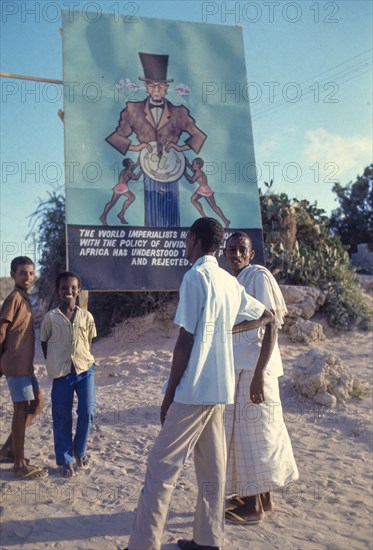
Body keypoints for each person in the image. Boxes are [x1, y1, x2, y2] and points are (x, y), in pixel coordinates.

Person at [126, 218, 274, 550]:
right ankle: (209, 541)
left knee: (160, 470)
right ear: (219, 246)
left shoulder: (195, 277)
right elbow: (266, 314)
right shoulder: (227, 280)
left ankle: (142, 545)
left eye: (186, 240)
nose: (185, 245)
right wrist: (226, 331)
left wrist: (168, 394)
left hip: (193, 391)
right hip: (220, 391)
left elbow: (185, 340)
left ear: (193, 240)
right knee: (212, 472)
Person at [224, 232, 299, 524]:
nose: (237, 254)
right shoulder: (235, 281)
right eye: (231, 250)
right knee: (254, 436)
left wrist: (258, 374)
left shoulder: (258, 275)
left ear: (252, 254)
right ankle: (262, 499)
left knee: (253, 437)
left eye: (242, 249)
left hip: (256, 371)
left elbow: (271, 326)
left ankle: (252, 507)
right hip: (242, 370)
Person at [106, 52, 207, 227]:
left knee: (172, 217)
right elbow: (116, 137)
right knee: (152, 218)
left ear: (167, 88)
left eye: (161, 86)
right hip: (148, 170)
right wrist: (137, 148)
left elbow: (199, 135)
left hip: (173, 169)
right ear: (146, 87)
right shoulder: (133, 109)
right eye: (152, 86)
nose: (157, 90)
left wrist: (179, 148)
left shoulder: (179, 112)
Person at [40, 271, 97, 478]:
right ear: (58, 291)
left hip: (84, 371)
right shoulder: (50, 318)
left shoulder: (86, 316)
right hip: (61, 374)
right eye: (64, 288)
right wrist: (55, 363)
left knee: (88, 411)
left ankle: (80, 451)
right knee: (62, 416)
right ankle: (65, 461)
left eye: (73, 288)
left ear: (78, 291)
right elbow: (44, 342)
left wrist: (81, 360)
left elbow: (89, 341)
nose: (69, 292)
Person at [0, 256, 48, 478]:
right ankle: (19, 464)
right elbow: (2, 330)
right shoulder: (14, 299)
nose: (27, 277)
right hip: (15, 364)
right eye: (22, 273)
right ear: (13, 275)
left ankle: (9, 448)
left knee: (38, 403)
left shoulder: (25, 297)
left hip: (25, 365)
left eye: (31, 273)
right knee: (20, 409)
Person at [184, 157, 231, 228]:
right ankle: (204, 216)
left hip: (205, 189)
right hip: (202, 189)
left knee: (214, 206)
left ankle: (225, 221)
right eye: (192, 164)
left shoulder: (198, 173)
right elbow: (192, 169)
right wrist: (187, 164)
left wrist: (184, 173)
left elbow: (191, 180)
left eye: (194, 164)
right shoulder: (198, 171)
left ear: (199, 165)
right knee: (193, 199)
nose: (193, 165)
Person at [99, 158, 142, 225]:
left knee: (112, 203)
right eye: (131, 162)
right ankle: (121, 214)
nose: (133, 162)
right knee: (132, 198)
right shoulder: (128, 171)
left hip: (118, 186)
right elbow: (136, 178)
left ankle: (103, 216)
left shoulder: (127, 170)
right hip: (123, 187)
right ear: (129, 164)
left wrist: (139, 161)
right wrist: (142, 171)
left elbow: (134, 166)